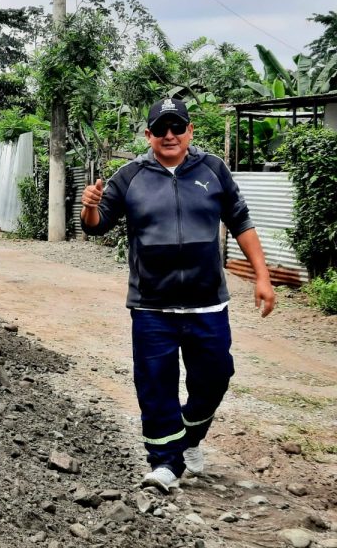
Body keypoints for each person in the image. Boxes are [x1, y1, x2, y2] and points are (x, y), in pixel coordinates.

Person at [80, 98, 276, 493]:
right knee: (155, 384)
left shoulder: (212, 170)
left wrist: (263, 276)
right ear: (149, 134)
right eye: (161, 129)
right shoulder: (130, 176)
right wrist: (89, 208)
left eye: (177, 127)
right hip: (152, 305)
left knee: (215, 377)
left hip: (208, 303)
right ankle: (165, 464)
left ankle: (188, 439)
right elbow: (97, 227)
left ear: (189, 131)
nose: (170, 135)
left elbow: (240, 220)